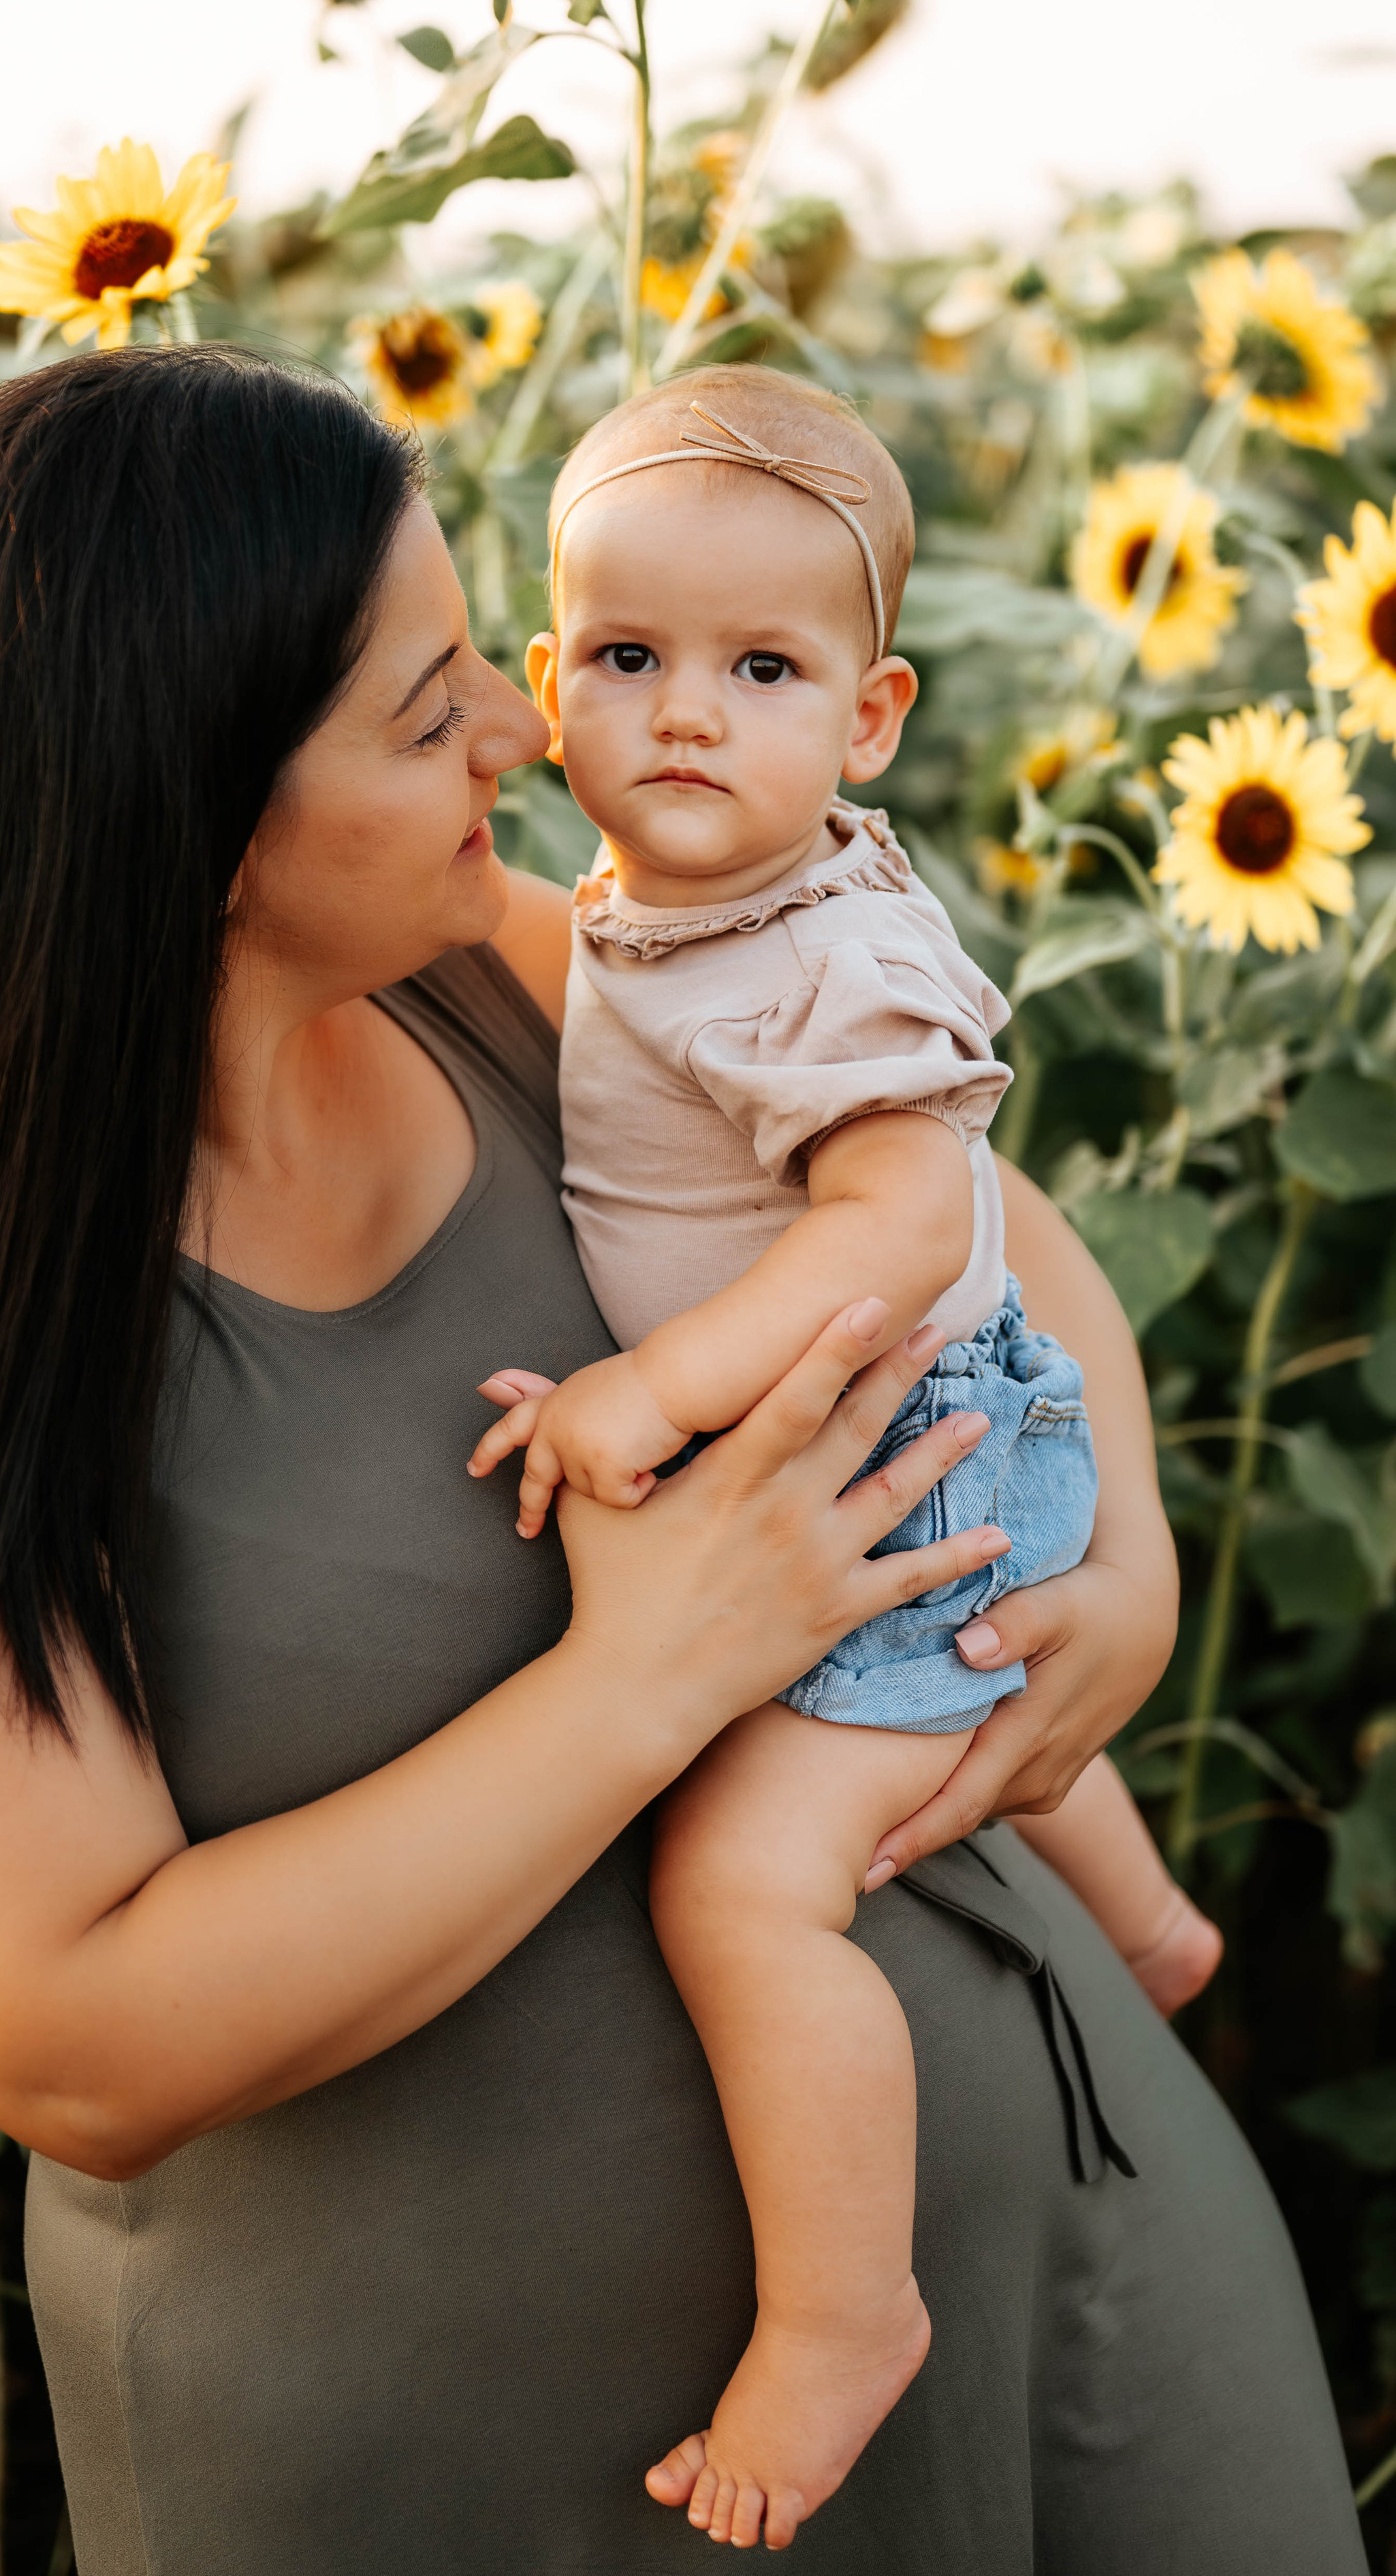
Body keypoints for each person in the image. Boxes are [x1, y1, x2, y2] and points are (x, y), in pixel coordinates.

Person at [0, 348, 1364, 2575]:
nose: (517, 730)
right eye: (419, 703)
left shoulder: (525, 983)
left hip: (1070, 2260)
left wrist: (1116, 1563)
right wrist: (640, 1681)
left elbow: (977, 1221)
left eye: (487, 660)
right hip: (484, 2471)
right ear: (181, 805)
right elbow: (69, 2033)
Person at [469, 366, 1221, 2548]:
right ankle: (1150, 1917)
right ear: (549, 684)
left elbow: (905, 1224)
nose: (687, 716)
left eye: (764, 671)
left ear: (871, 721)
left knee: (744, 1882)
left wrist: (647, 1392)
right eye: (628, 660)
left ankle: (840, 2314)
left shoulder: (838, 959)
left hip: (918, 1462)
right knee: (1000, 1687)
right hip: (947, 1448)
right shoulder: (670, 904)